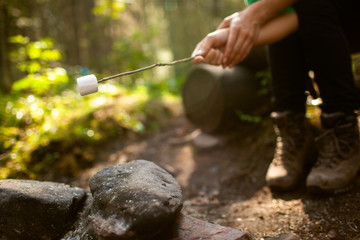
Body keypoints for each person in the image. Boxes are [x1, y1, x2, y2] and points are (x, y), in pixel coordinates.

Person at [192, 0, 360, 194]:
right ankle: (292, 129)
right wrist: (231, 40)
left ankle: (343, 133)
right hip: (320, 13)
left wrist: (253, 15)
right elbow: (290, 17)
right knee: (281, 8)